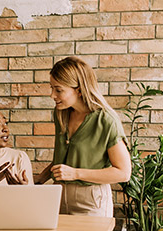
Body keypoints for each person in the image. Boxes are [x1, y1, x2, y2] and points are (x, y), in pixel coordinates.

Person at [34, 56, 131, 217]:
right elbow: (66, 158)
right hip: (58, 197)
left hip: (91, 202)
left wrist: (76, 173)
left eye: (58, 90)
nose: (52, 95)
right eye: (51, 88)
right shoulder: (61, 113)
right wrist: (40, 178)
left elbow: (123, 173)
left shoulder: (106, 120)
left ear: (78, 90)